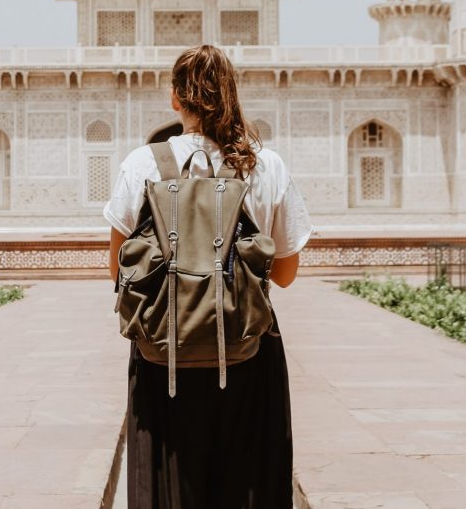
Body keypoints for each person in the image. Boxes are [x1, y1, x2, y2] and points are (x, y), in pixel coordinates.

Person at [104, 44, 313, 507]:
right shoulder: (265, 165)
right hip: (247, 348)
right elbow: (286, 274)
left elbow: (118, 266)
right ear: (232, 94)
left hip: (164, 351)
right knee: (249, 482)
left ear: (176, 99)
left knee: (169, 482)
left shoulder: (142, 164)